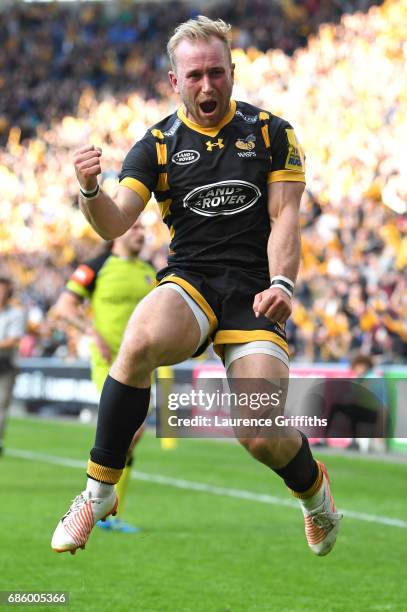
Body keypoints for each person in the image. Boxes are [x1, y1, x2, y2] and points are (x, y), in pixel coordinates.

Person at [51, 15, 342, 556]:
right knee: (138, 340)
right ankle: (96, 494)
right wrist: (90, 190)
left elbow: (285, 217)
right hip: (192, 282)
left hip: (255, 290)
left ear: (233, 72)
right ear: (173, 81)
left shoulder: (273, 134)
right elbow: (115, 223)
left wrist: (283, 281)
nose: (206, 86)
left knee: (257, 434)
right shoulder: (158, 143)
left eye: (216, 73)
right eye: (195, 76)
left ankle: (315, 495)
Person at [51, 221, 155, 531]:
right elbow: (64, 306)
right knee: (131, 430)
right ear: (117, 232)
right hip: (108, 362)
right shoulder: (95, 267)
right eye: (134, 227)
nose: (140, 233)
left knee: (132, 434)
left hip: (144, 362)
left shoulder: (149, 271)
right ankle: (100, 500)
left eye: (142, 229)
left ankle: (109, 507)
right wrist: (92, 333)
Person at [0, 278, 27, 456]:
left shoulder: (16, 313)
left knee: (1, 403)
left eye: (3, 291)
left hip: (6, 364)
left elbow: (14, 341)